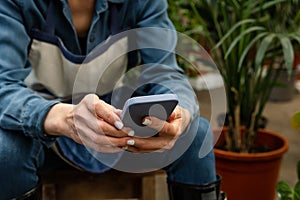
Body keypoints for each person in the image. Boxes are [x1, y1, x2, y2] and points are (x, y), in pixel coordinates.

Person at [0, 0, 222, 199]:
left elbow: (165, 72)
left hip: (120, 129)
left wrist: (179, 114)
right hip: (45, 129)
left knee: (196, 133)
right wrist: (64, 118)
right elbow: (3, 84)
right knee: (6, 152)